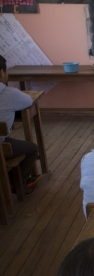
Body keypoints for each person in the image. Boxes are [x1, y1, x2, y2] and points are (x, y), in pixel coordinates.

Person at [0, 55, 39, 194]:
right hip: (2, 147)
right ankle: (18, 185)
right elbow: (28, 101)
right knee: (32, 148)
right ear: (1, 72)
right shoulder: (8, 94)